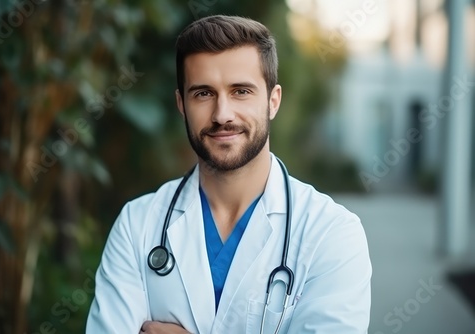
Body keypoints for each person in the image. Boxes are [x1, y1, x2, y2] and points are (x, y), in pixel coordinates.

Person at [86, 15, 372, 334]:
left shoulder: (331, 233)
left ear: (273, 101)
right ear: (182, 104)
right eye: (203, 94)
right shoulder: (137, 226)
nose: (222, 114)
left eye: (241, 91)